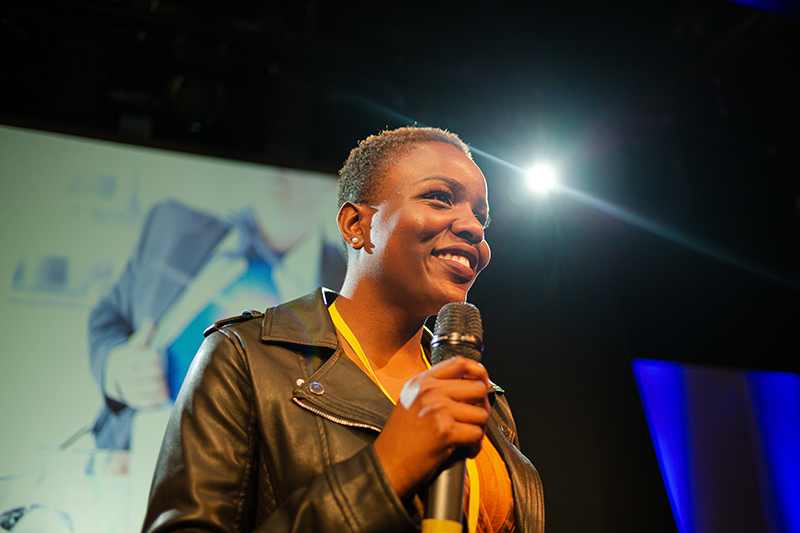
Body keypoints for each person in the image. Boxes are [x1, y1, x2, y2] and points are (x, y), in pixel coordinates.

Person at [142, 126, 544, 533]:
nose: (475, 228)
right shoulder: (245, 359)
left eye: (481, 216)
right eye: (440, 198)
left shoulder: (487, 405)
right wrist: (387, 469)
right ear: (356, 224)